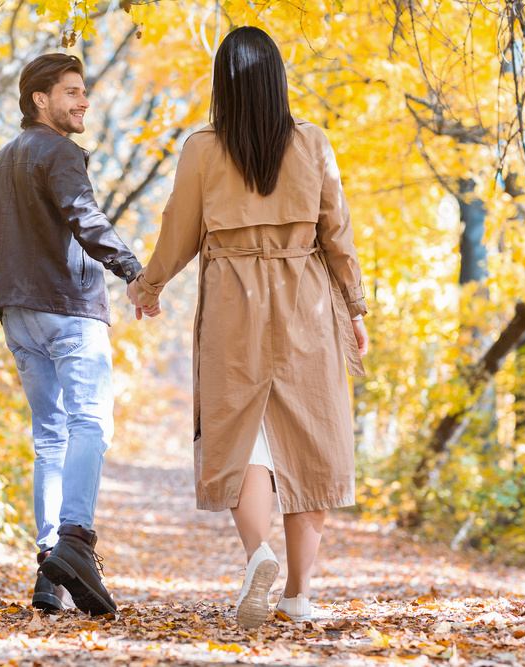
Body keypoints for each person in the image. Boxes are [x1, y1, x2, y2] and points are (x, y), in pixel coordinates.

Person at [127, 26, 369, 628]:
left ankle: (256, 553)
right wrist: (356, 311)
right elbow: (337, 234)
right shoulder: (313, 143)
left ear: (222, 87)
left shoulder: (201, 148)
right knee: (311, 441)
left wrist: (148, 286)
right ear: (277, 80)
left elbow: (178, 231)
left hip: (235, 300)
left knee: (243, 436)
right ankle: (297, 594)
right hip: (305, 300)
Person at [0, 53, 150, 616]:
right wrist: (134, 271)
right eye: (72, 92)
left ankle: (48, 572)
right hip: (69, 310)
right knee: (90, 425)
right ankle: (76, 543)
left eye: (84, 92)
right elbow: (85, 217)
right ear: (40, 101)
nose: (83, 101)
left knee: (50, 438)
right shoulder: (59, 152)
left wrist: (10, 302)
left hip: (18, 315)